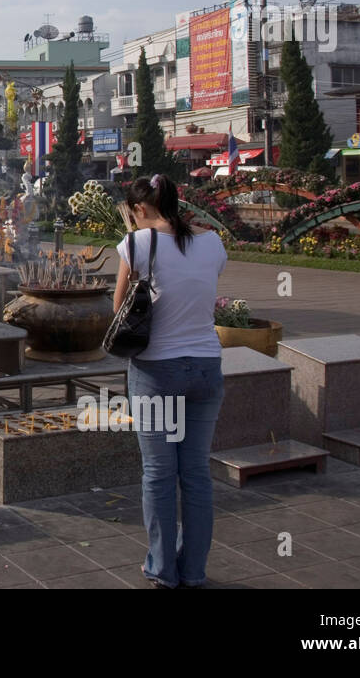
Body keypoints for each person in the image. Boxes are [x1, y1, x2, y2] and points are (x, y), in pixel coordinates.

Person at [112, 173, 227, 589]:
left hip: (157, 369)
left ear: (139, 209)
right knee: (195, 472)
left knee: (159, 474)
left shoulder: (138, 243)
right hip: (206, 368)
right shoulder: (212, 242)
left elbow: (119, 307)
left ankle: (162, 569)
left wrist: (134, 241)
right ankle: (193, 571)